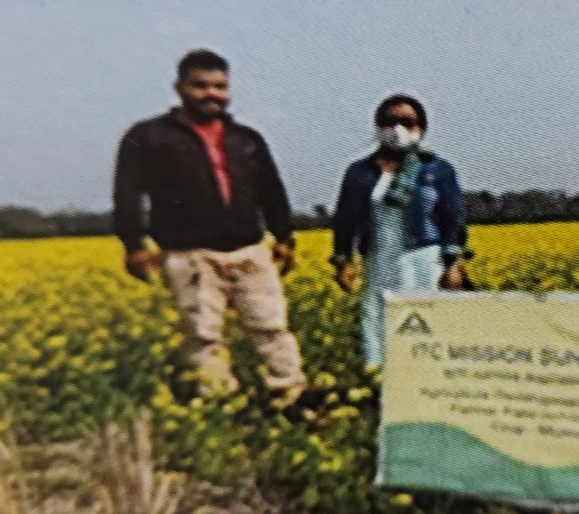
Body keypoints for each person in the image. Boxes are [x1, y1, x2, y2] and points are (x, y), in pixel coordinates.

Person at [113, 49, 306, 403]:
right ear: (180, 87)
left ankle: (291, 396)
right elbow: (126, 193)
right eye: (200, 86)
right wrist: (133, 245)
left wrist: (284, 237)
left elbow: (271, 190)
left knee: (272, 327)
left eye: (219, 86)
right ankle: (217, 402)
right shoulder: (149, 136)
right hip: (190, 253)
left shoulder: (246, 138)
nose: (211, 94)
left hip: (249, 250)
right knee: (202, 335)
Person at [330, 94, 468, 369]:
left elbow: (453, 219)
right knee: (378, 319)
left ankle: (429, 385)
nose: (398, 129)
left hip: (424, 260)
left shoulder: (437, 170)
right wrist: (343, 260)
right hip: (380, 258)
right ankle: (380, 384)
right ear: (377, 126)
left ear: (422, 128)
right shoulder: (359, 172)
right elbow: (345, 219)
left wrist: (454, 263)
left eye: (407, 122)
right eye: (389, 122)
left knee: (427, 321)